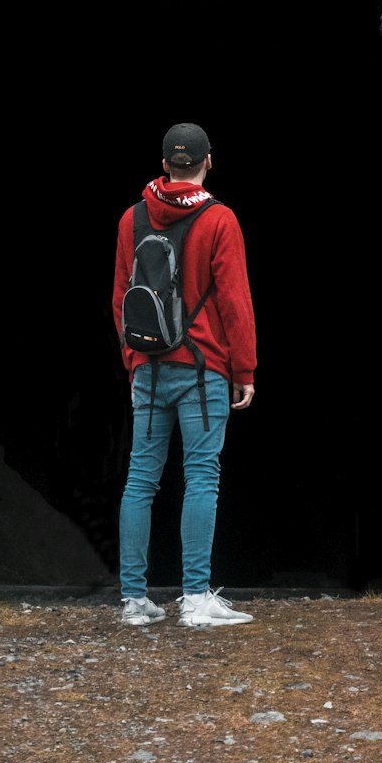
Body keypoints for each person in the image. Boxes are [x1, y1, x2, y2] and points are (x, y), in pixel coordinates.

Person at [112, 122, 257, 627]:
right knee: (201, 477)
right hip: (203, 371)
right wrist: (245, 369)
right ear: (208, 161)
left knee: (140, 480)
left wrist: (133, 362)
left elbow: (119, 300)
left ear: (164, 164)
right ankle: (195, 599)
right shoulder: (220, 220)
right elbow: (235, 302)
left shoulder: (131, 219)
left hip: (147, 370)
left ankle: (134, 601)